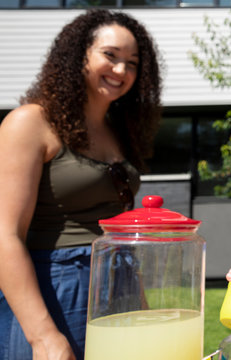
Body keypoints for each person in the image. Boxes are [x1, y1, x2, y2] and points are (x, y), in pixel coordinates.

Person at [0, 9, 162, 360]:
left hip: (120, 281)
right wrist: (43, 335)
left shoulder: (120, 130)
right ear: (79, 56)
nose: (121, 70)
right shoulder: (30, 122)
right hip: (57, 287)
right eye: (110, 56)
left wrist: (140, 299)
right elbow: (5, 235)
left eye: (132, 63)